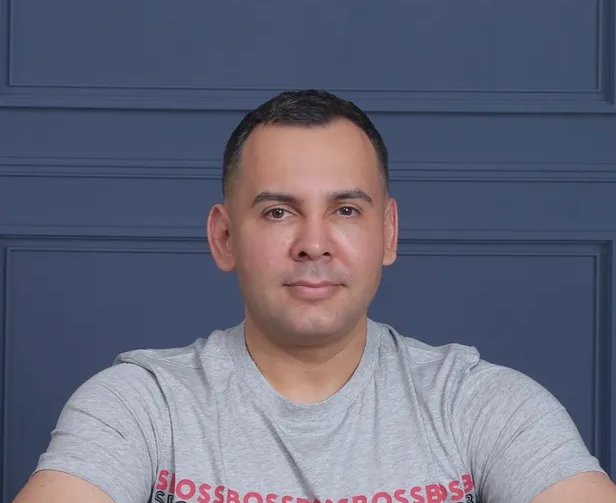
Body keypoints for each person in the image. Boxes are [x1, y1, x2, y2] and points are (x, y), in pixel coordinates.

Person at [13, 90, 616, 503]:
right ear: (224, 238)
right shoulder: (139, 406)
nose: (313, 244)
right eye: (278, 212)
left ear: (388, 233)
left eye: (346, 210)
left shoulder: (482, 405)